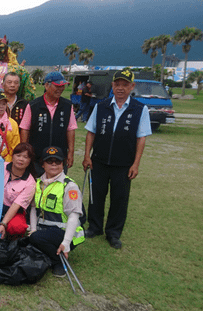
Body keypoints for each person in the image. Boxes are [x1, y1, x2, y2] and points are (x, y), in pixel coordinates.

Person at [83, 69, 151, 249]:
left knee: (119, 199)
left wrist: (136, 164)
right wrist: (86, 156)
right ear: (112, 85)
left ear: (132, 86)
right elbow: (91, 132)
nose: (121, 88)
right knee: (96, 196)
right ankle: (95, 227)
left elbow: (141, 138)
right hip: (99, 160)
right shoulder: (101, 106)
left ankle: (113, 233)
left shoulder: (139, 109)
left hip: (124, 163)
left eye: (125, 85)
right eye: (117, 84)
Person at [28, 146, 85, 277]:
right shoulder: (37, 184)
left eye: (58, 161)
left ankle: (58, 262)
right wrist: (33, 229)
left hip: (65, 232)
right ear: (42, 164)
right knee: (28, 237)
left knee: (36, 238)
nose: (54, 164)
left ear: (63, 164)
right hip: (44, 229)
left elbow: (74, 216)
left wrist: (66, 243)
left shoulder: (69, 186)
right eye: (49, 161)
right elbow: (33, 208)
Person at [19, 71, 77, 174]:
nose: (61, 89)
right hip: (37, 158)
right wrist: (25, 152)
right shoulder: (33, 105)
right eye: (57, 86)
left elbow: (71, 129)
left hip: (58, 159)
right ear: (46, 85)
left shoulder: (67, 106)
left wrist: (71, 153)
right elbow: (25, 129)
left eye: (62, 86)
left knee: (57, 188)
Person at [0, 143, 36, 239]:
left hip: (13, 211)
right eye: (18, 155)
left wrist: (3, 223)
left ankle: (9, 236)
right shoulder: (0, 166)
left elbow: (16, 205)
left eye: (25, 157)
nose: (21, 159)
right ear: (12, 156)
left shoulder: (30, 183)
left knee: (17, 227)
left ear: (30, 161)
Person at [0, 91, 20, 162]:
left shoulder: (13, 123)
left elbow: (16, 145)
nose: (1, 106)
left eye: (4, 104)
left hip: (7, 160)